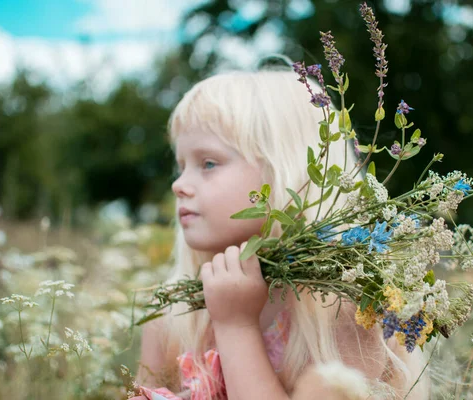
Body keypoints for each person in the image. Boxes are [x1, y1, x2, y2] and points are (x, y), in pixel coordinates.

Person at [131, 69, 430, 400]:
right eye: (181, 165)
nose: (178, 184)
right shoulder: (173, 315)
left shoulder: (341, 307)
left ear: (284, 172)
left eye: (208, 163)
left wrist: (235, 326)